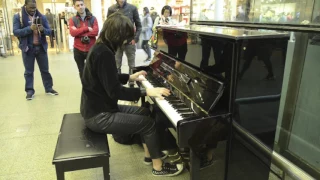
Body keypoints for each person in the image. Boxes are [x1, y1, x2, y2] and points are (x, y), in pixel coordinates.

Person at [80, 12, 184, 176]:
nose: (127, 41)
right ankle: (158, 167)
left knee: (145, 112)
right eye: (125, 37)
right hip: (99, 116)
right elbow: (115, 91)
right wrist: (147, 90)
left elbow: (108, 77)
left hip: (100, 108)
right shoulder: (104, 53)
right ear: (117, 35)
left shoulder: (100, 47)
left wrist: (130, 76)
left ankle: (149, 155)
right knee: (148, 124)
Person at [13, 0, 58, 100]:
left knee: (45, 70)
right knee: (29, 71)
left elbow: (49, 32)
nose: (33, 10)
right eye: (31, 8)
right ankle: (29, 91)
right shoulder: (18, 17)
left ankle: (49, 88)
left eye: (34, 8)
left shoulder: (41, 16)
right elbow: (15, 32)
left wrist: (43, 30)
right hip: (28, 48)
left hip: (41, 48)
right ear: (25, 6)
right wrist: (29, 29)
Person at [107, 0, 142, 88]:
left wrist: (135, 38)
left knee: (131, 64)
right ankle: (117, 83)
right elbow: (108, 26)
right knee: (117, 63)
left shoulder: (132, 8)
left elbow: (139, 25)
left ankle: (131, 83)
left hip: (130, 41)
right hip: (117, 42)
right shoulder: (111, 9)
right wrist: (111, 40)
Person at [69, 0, 99, 79]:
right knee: (82, 72)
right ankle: (86, 90)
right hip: (78, 50)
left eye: (81, 4)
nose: (80, 7)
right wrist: (86, 28)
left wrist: (78, 32)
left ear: (84, 5)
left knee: (93, 71)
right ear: (74, 7)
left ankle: (94, 90)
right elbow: (72, 33)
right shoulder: (73, 20)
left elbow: (95, 32)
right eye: (78, 5)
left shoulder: (93, 18)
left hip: (91, 49)